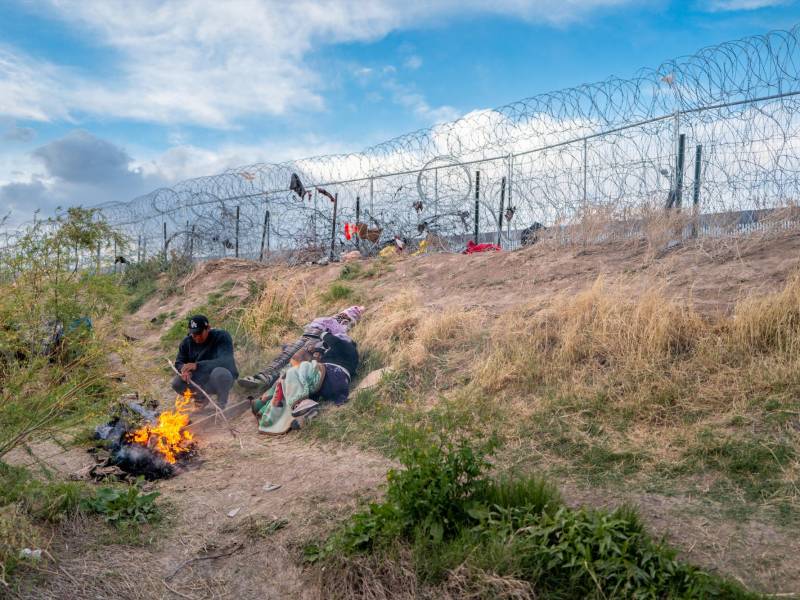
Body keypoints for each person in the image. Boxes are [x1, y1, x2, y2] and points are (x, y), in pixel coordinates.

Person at [171, 315, 239, 409]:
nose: (196, 337)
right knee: (177, 383)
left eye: (199, 333)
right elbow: (179, 362)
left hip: (221, 378)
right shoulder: (186, 343)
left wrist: (198, 366)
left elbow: (225, 361)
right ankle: (201, 398)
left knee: (220, 373)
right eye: (193, 334)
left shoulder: (221, 337)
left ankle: (221, 404)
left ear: (208, 328)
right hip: (200, 382)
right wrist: (184, 370)